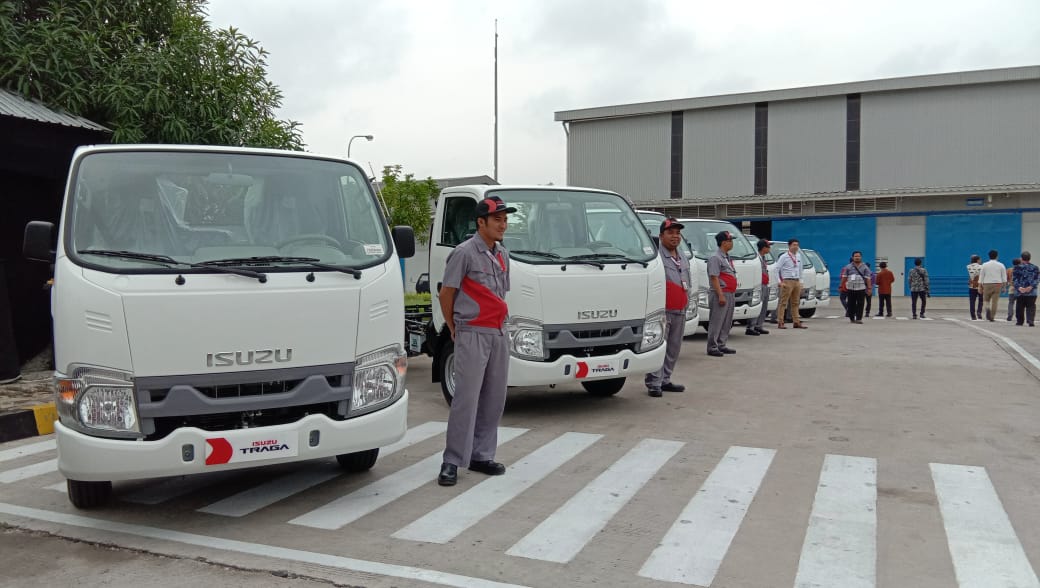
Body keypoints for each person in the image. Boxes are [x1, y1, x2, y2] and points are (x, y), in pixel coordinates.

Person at [436, 195, 516, 486]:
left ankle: (482, 455)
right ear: (481, 222)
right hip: (471, 333)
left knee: (494, 398)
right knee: (466, 399)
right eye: (497, 219)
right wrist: (453, 325)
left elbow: (500, 294)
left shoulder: (502, 254)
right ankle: (452, 460)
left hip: (497, 333)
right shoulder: (464, 253)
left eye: (505, 220)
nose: (503, 225)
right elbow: (447, 293)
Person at [645, 218, 692, 397]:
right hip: (663, 311)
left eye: (677, 233)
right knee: (659, 347)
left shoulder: (682, 257)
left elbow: (687, 281)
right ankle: (654, 383)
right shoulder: (656, 257)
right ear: (661, 236)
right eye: (670, 232)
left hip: (680, 309)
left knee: (674, 347)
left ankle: (665, 379)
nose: (675, 236)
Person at [706, 230, 739, 356]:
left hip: (729, 293)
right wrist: (720, 295)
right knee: (717, 321)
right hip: (720, 293)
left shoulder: (726, 257)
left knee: (727, 321)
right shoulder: (716, 258)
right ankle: (712, 346)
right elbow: (714, 277)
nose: (732, 243)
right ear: (724, 242)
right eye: (730, 241)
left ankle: (721, 344)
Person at [774, 239, 808, 329]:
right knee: (783, 302)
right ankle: (780, 321)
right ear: (789, 246)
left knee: (796, 302)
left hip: (796, 281)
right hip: (787, 280)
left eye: (797, 245)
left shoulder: (799, 256)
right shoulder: (784, 256)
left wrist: (801, 281)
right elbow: (776, 269)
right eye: (794, 245)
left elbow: (801, 269)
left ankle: (796, 321)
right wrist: (779, 281)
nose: (796, 247)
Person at [746, 239, 771, 337]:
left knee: (764, 306)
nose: (769, 248)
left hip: (765, 284)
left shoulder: (764, 258)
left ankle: (759, 325)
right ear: (764, 248)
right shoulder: (756, 258)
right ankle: (751, 327)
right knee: (757, 305)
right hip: (758, 284)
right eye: (768, 246)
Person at [840, 251, 871, 323]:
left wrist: (869, 288)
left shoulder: (865, 267)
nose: (857, 258)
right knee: (851, 303)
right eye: (855, 256)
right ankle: (852, 318)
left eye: (858, 256)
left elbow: (868, 278)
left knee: (861, 303)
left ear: (861, 257)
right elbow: (844, 277)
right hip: (851, 288)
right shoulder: (848, 267)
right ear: (853, 257)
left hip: (861, 288)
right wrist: (841, 286)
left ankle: (859, 318)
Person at [979, 249, 1007, 322]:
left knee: (986, 300)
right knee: (995, 302)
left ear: (989, 256)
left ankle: (987, 309)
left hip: (987, 284)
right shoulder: (1001, 265)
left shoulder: (984, 265)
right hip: (997, 284)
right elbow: (1004, 277)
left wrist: (980, 286)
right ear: (997, 256)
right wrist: (1004, 287)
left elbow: (981, 276)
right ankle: (992, 316)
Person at [1012, 251, 1037, 327]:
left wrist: (1019, 287)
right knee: (1031, 306)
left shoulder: (1017, 267)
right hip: (1032, 292)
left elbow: (1014, 279)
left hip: (1020, 291)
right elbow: (1037, 279)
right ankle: (1030, 321)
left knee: (1020, 306)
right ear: (1029, 258)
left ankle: (1020, 321)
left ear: (1021, 258)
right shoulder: (1035, 268)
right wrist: (1030, 287)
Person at [966, 254, 983, 320]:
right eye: (980, 260)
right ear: (978, 260)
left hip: (971, 285)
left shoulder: (968, 266)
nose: (980, 261)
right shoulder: (981, 267)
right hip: (980, 285)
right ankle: (979, 312)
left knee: (972, 301)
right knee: (981, 300)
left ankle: (973, 315)